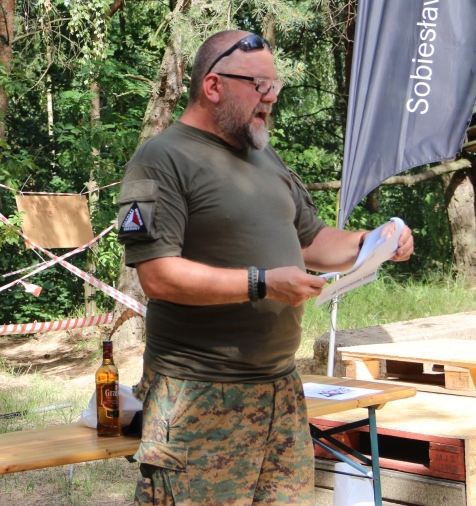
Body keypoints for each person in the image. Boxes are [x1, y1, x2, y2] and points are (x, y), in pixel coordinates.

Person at [116, 29, 414, 506]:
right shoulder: (160, 159)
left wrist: (372, 241)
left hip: (280, 390)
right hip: (199, 396)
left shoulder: (262, 154)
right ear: (213, 86)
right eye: (259, 84)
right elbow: (157, 276)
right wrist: (262, 284)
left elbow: (312, 241)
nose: (271, 97)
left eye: (274, 85)